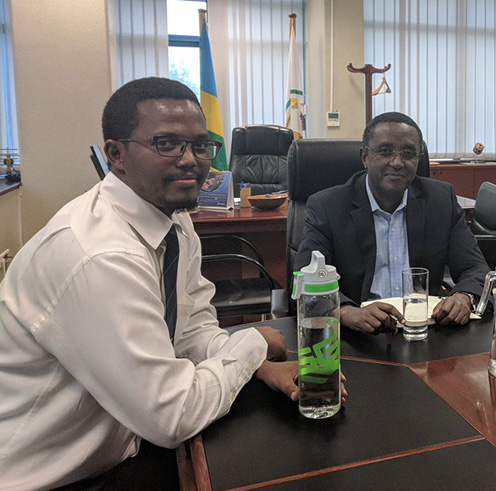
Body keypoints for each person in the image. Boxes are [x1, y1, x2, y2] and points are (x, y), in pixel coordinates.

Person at [0, 78, 314, 490]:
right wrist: (251, 344)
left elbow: (192, 330)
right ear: (116, 154)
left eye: (200, 145)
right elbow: (174, 416)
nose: (190, 160)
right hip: (51, 477)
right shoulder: (100, 256)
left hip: (125, 444)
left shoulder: (173, 219)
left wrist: (258, 368)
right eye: (167, 144)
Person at [294, 112, 491, 334]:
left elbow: (475, 268)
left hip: (426, 330)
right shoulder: (328, 206)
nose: (397, 163)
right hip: (358, 335)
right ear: (365, 157)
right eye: (385, 151)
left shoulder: (441, 201)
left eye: (408, 153)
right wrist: (346, 311)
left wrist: (463, 297)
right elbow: (305, 277)